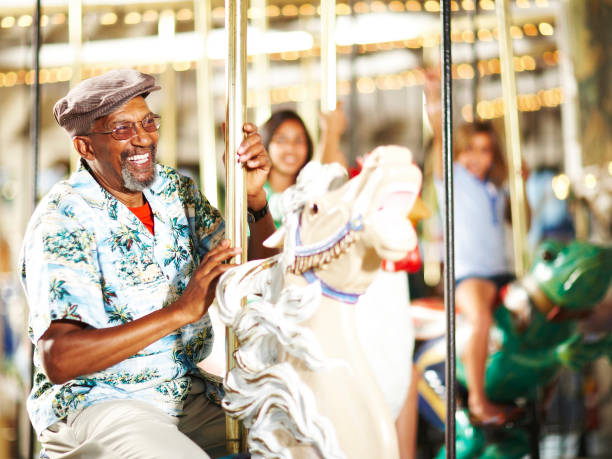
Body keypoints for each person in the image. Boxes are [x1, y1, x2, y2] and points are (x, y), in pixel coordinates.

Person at [19, 69, 277, 458]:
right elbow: (59, 358)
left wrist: (255, 201)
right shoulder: (63, 221)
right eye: (122, 129)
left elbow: (257, 277)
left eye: (147, 122)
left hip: (182, 391)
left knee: (296, 432)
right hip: (101, 401)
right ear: (85, 148)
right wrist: (180, 312)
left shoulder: (174, 190)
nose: (143, 138)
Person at [424, 69, 529, 425]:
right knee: (481, 318)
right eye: (469, 149)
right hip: (469, 273)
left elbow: (522, 220)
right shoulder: (450, 179)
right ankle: (479, 402)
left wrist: (520, 184)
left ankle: (530, 393)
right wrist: (435, 95)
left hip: (502, 270)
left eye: (485, 151)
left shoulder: (495, 188)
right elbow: (439, 133)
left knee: (543, 318)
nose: (476, 157)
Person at [260, 105, 346, 227]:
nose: (291, 148)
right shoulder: (258, 192)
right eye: (281, 140)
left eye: (299, 140)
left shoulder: (306, 182)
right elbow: (287, 206)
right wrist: (330, 134)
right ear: (267, 144)